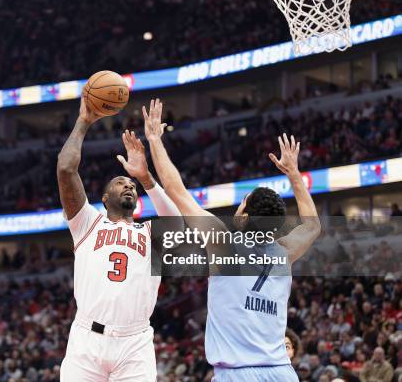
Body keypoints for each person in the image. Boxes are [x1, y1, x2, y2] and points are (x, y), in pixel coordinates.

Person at [142, 99, 321, 381]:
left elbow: (177, 191)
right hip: (281, 373)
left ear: (245, 217)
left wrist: (155, 141)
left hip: (237, 374)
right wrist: (294, 175)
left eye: (241, 205)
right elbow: (312, 227)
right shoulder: (285, 252)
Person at [57, 96, 181, 381]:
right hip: (87, 339)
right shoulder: (87, 222)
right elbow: (65, 169)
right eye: (120, 183)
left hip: (134, 343)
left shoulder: (149, 233)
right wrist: (83, 121)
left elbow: (176, 224)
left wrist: (147, 178)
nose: (128, 185)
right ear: (104, 198)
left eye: (131, 185)